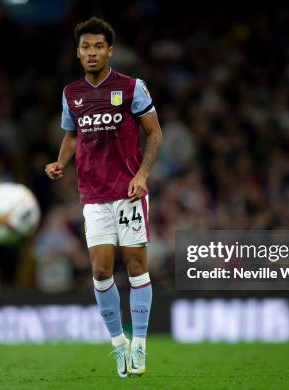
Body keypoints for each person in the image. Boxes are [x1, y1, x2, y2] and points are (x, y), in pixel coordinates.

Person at [45, 17, 163, 378]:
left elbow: (154, 134)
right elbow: (71, 135)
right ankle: (119, 344)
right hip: (93, 195)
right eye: (86, 47)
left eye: (98, 46)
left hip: (127, 192)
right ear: (78, 53)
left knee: (137, 266)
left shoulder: (132, 88)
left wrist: (142, 175)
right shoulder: (71, 94)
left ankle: (140, 343)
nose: (92, 52)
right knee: (99, 269)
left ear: (109, 50)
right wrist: (60, 162)